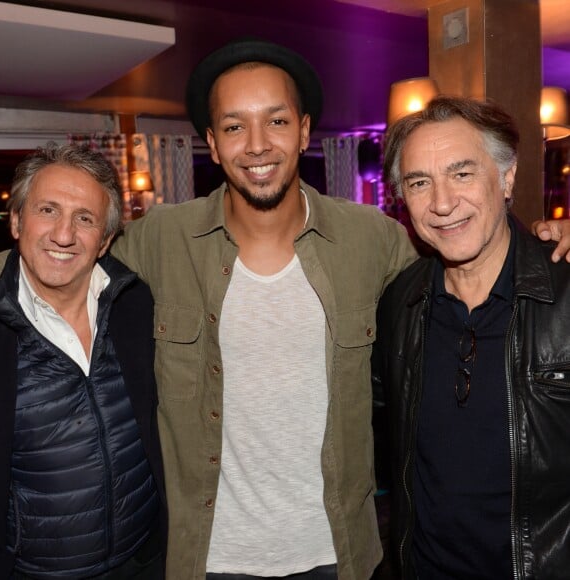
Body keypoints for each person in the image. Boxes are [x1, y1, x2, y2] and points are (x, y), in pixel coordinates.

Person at [107, 37, 418, 580]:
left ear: (303, 130)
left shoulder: (373, 239)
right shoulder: (162, 239)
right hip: (209, 557)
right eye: (233, 126)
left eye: (275, 122)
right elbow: (57, 263)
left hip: (337, 553)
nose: (256, 145)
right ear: (211, 141)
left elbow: (461, 287)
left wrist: (540, 247)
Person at [372, 95, 570, 580]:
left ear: (507, 178)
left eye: (462, 174)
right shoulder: (400, 302)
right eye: (420, 182)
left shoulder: (565, 294)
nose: (441, 203)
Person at [0, 144, 167, 579]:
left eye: (84, 218)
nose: (64, 235)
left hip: (144, 563)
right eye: (47, 210)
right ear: (16, 221)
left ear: (105, 240)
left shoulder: (137, 304)